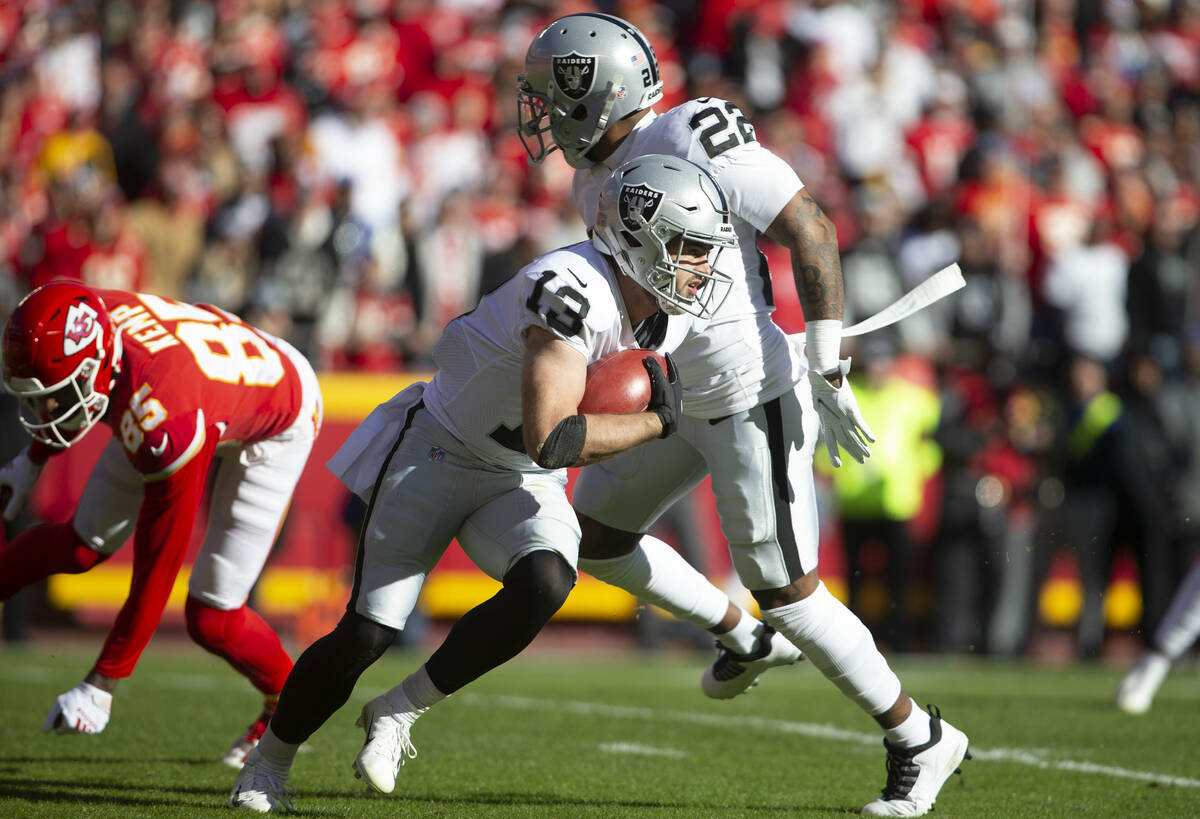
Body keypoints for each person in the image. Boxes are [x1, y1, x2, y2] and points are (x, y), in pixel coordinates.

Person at [518, 13, 969, 817]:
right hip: (676, 390)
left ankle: (920, 737)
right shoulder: (594, 177)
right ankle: (740, 635)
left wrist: (827, 359)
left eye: (557, 98)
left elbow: (810, 227)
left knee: (790, 589)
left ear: (600, 94)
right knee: (599, 536)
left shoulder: (693, 134)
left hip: (748, 391)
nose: (546, 115)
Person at [228, 154, 728, 812]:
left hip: (518, 476)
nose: (700, 266)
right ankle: (269, 763)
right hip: (438, 450)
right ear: (639, 235)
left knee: (548, 580)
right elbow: (551, 435)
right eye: (688, 247)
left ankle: (400, 710)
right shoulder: (570, 286)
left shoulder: (668, 310)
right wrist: (655, 424)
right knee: (367, 633)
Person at [0, 281, 322, 768]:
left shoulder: (165, 420)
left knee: (212, 616)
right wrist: (32, 459)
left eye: (60, 395)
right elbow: (67, 394)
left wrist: (102, 682)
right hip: (182, 380)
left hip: (279, 414)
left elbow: (160, 564)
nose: (46, 412)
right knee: (80, 548)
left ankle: (288, 702)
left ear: (98, 365)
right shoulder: (93, 313)